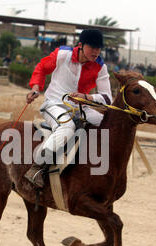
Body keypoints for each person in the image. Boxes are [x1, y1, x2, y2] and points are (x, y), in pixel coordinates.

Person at [24, 29, 112, 188]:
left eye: (98, 48)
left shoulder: (101, 67)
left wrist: (87, 97)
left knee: (107, 123)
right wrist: (35, 88)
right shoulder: (62, 55)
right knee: (67, 126)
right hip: (54, 104)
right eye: (92, 47)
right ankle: (36, 168)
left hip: (81, 108)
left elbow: (107, 98)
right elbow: (41, 68)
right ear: (80, 45)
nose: (96, 52)